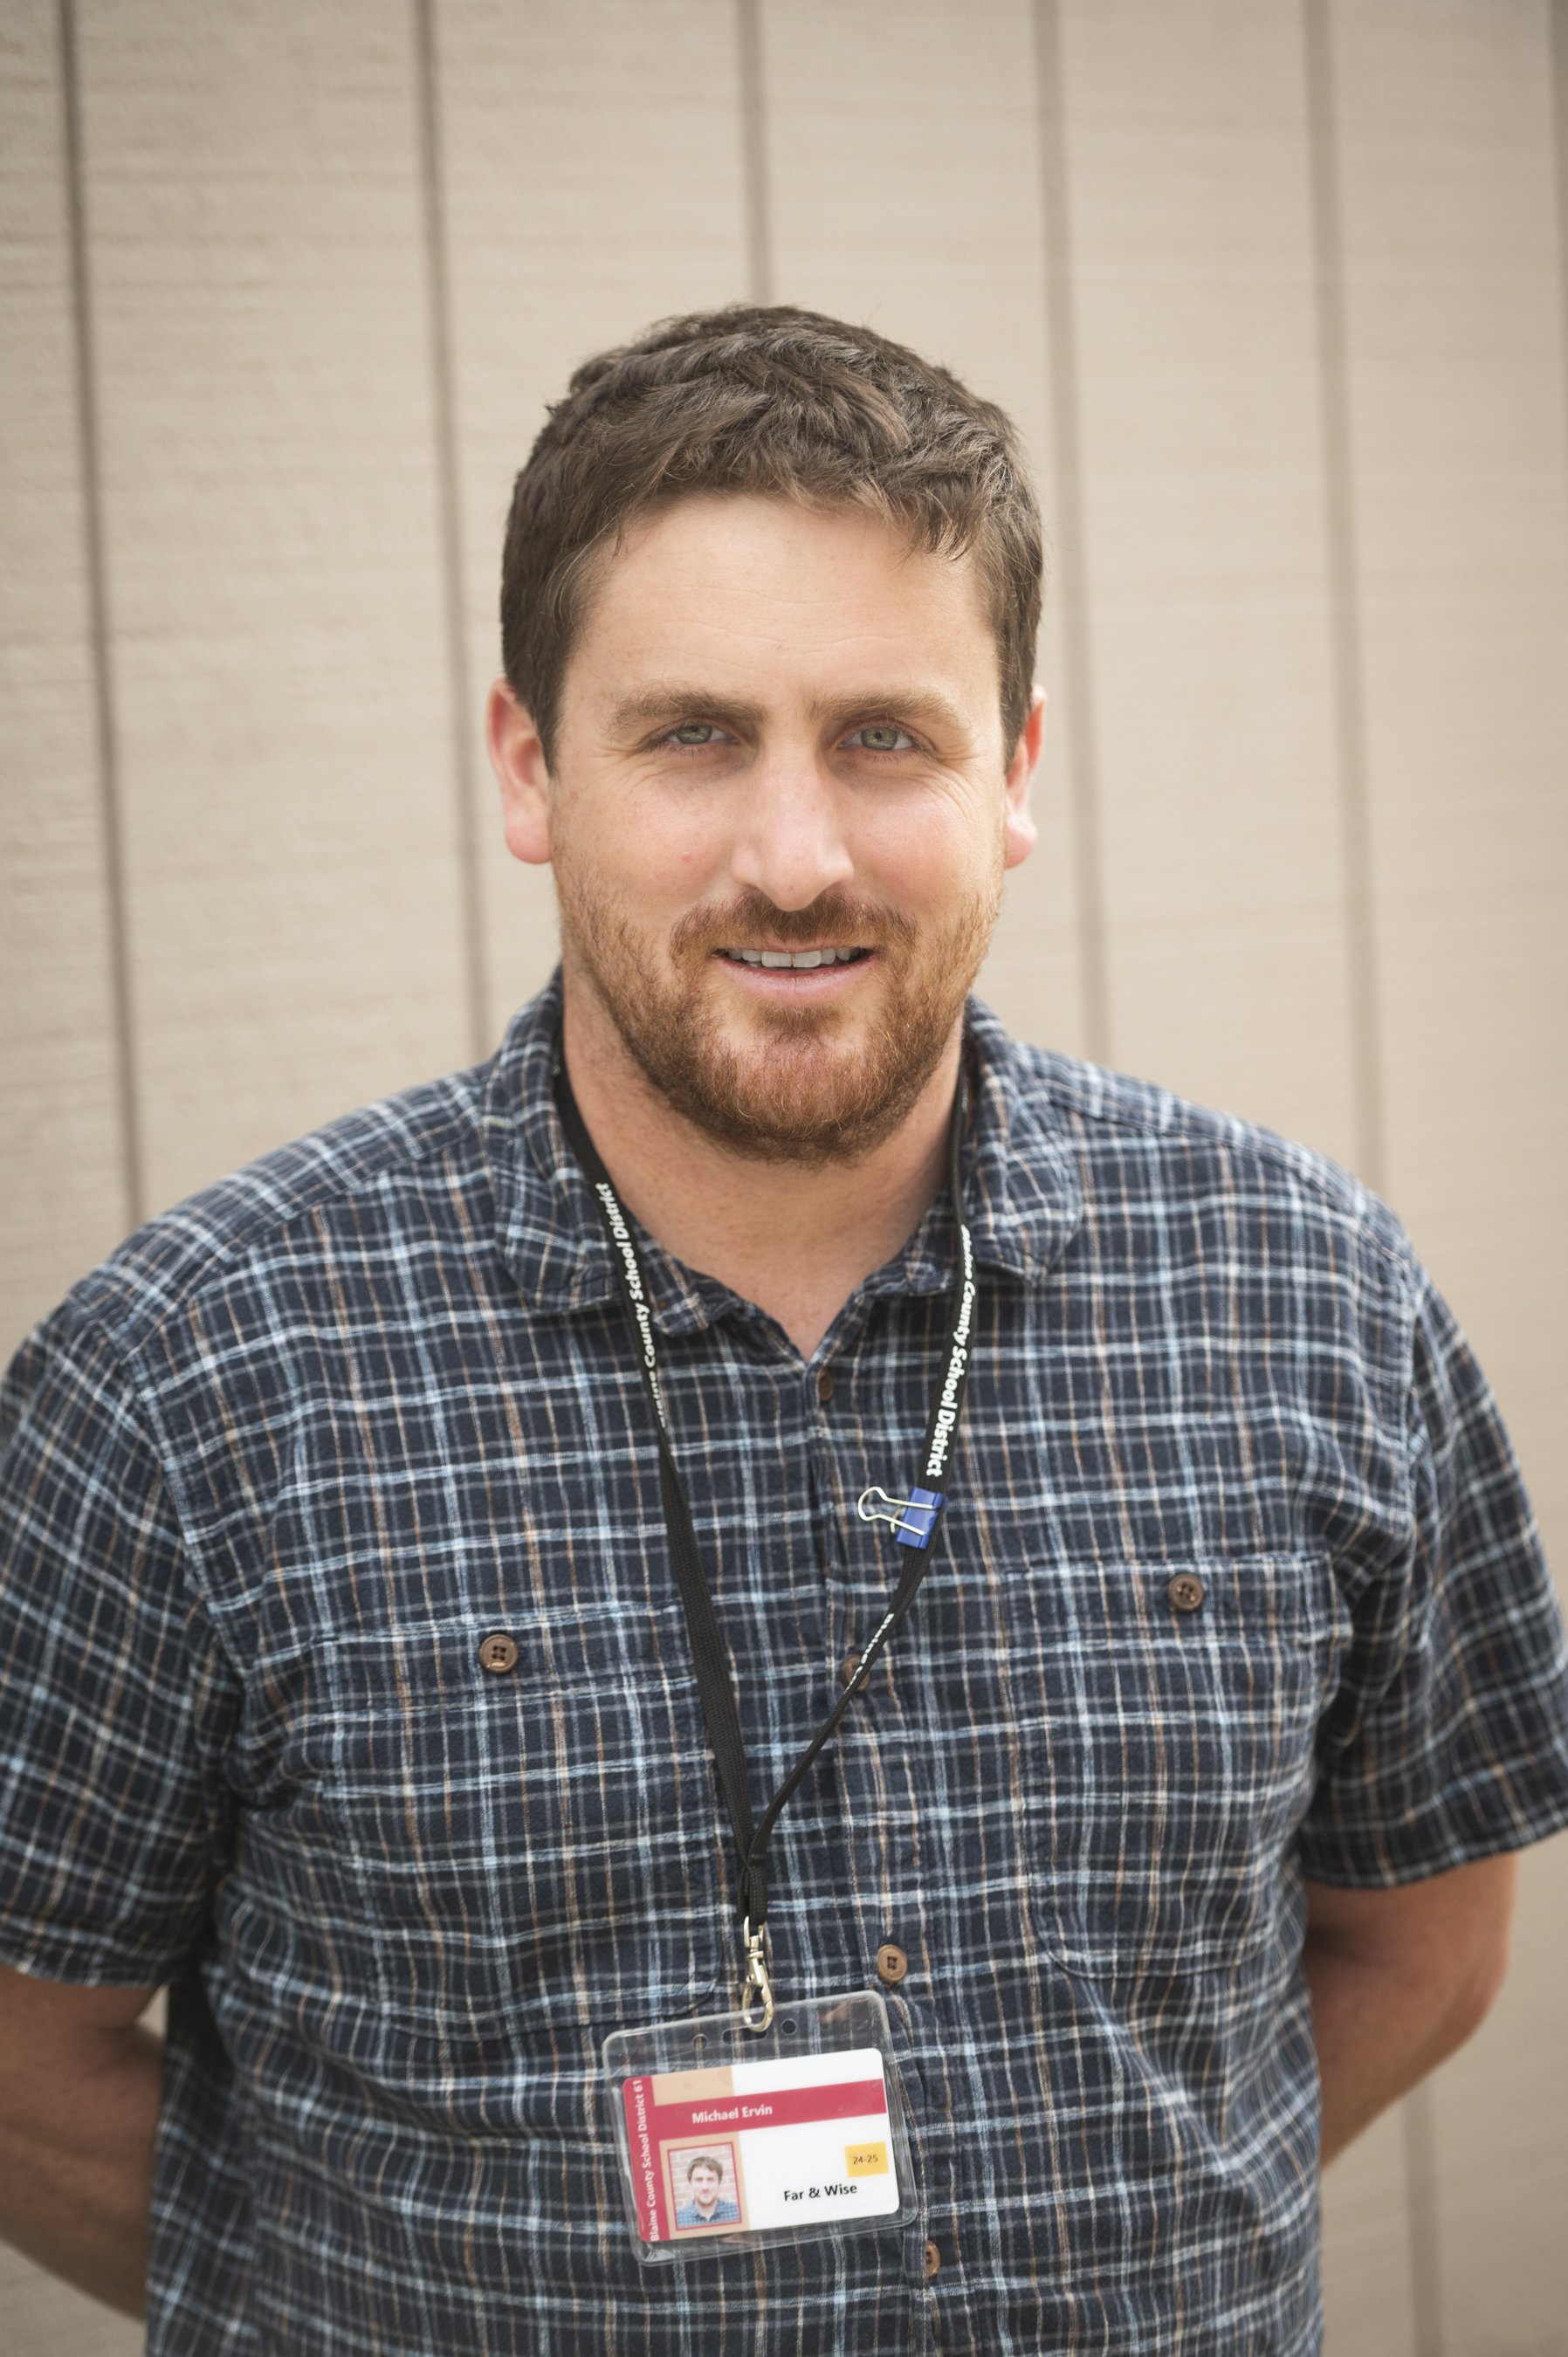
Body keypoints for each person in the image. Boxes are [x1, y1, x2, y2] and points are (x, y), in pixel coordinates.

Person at [0, 303, 1565, 2357]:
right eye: (691, 733)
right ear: (529, 766)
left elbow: (1418, 1948)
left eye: (883, 734)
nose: (794, 854)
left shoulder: (1309, 1301)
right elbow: (24, 2059)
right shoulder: (190, 1384)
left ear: (1011, 766)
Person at [674, 2155, 741, 2230]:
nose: (705, 2187)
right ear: (690, 2184)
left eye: (710, 2179)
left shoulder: (737, 2213)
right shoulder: (678, 2220)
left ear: (719, 2183)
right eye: (699, 2180)